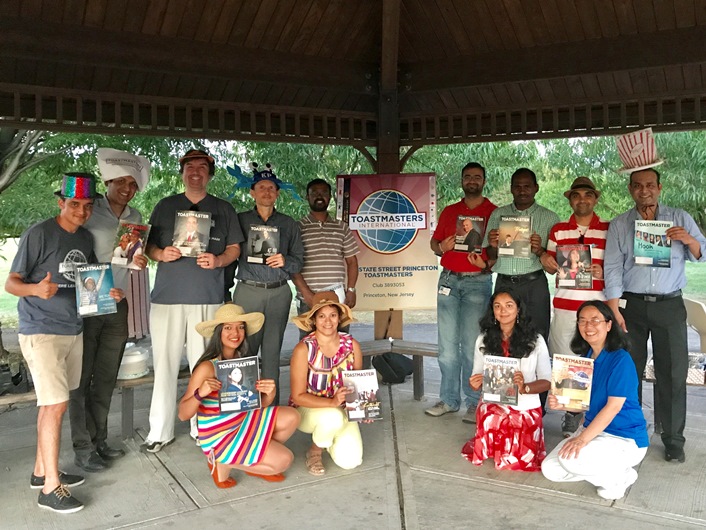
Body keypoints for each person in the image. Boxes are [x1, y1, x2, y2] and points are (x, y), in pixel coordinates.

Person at [5, 173, 121, 513]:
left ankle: (43, 472)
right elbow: (12, 283)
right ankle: (51, 490)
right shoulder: (39, 233)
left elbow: (87, 284)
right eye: (74, 205)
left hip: (73, 328)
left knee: (54, 402)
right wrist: (34, 289)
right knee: (55, 405)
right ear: (61, 203)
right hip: (42, 329)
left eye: (87, 206)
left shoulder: (84, 239)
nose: (81, 212)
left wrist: (108, 293)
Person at [143, 148, 243, 453]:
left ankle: (203, 427)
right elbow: (146, 246)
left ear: (209, 174)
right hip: (167, 299)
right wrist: (161, 254)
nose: (196, 172)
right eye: (190, 167)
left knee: (206, 367)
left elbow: (235, 249)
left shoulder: (223, 208)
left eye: (202, 167)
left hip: (208, 299)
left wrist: (218, 261)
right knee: (165, 364)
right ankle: (159, 430)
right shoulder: (165, 205)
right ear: (182, 172)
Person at [604, 167, 706, 463]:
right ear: (630, 189)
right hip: (631, 307)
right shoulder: (620, 224)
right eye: (637, 186)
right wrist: (613, 306)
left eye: (650, 185)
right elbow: (611, 267)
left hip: (670, 305)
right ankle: (631, 432)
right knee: (628, 371)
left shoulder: (680, 218)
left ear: (659, 187)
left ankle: (673, 439)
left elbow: (703, 252)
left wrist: (688, 239)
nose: (644, 190)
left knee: (673, 372)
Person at [68, 148, 151, 473]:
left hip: (119, 302)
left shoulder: (136, 218)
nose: (127, 189)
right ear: (108, 181)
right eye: (121, 182)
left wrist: (140, 261)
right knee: (81, 379)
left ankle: (99, 439)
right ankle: (83, 449)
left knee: (104, 377)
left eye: (133, 184)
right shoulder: (89, 211)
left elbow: (131, 258)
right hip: (87, 303)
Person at [178, 304, 300, 488]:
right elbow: (183, 414)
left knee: (292, 416)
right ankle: (221, 461)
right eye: (228, 327)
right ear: (218, 332)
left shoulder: (244, 362)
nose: (235, 332)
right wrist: (199, 393)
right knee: (283, 461)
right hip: (219, 433)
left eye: (240, 327)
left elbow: (254, 405)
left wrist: (270, 394)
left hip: (243, 421)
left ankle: (249, 458)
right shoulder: (207, 367)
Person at [542, 301, 649, 500]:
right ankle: (610, 470)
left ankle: (620, 478)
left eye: (595, 320)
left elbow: (613, 407)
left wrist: (582, 439)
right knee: (550, 469)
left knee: (572, 462)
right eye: (582, 321)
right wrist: (564, 403)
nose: (588, 326)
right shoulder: (584, 359)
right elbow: (583, 404)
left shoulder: (620, 360)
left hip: (624, 438)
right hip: (595, 431)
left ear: (609, 325)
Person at [426, 162, 496, 422]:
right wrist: (440, 247)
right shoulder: (450, 211)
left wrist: (487, 264)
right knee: (446, 348)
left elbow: (499, 253)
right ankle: (449, 400)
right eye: (467, 177)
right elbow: (434, 243)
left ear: (484, 181)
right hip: (448, 282)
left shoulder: (493, 212)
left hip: (477, 282)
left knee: (471, 346)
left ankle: (474, 401)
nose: (472, 181)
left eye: (477, 177)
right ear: (462, 181)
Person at [541, 177, 609, 437]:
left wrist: (601, 269)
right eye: (577, 195)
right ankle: (572, 414)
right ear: (570, 200)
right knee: (566, 361)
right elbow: (549, 262)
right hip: (566, 306)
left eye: (588, 194)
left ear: (595, 198)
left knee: (597, 360)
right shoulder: (558, 230)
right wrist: (546, 260)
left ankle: (597, 415)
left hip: (597, 307)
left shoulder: (609, 229)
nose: (582, 199)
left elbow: (617, 267)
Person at [233, 164, 304, 404]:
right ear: (252, 192)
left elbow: (299, 262)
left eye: (271, 188)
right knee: (244, 351)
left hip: (278, 292)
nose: (266, 191)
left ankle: (270, 411)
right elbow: (229, 254)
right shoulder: (240, 220)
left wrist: (285, 261)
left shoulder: (288, 223)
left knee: (272, 353)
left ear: (277, 193)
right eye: (261, 187)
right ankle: (244, 407)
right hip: (248, 290)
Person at [461, 290, 551, 472]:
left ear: (519, 310)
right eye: (497, 306)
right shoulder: (483, 339)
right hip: (494, 402)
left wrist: (525, 386)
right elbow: (475, 378)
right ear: (492, 311)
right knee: (492, 415)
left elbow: (547, 381)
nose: (503, 311)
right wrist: (475, 383)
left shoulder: (536, 340)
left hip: (525, 404)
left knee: (517, 453)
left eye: (509, 305)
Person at [290, 292, 365, 475]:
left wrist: (364, 408)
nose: (328, 321)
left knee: (351, 462)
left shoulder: (352, 345)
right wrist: (332, 402)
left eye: (332, 315)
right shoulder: (304, 349)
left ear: (339, 318)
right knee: (333, 417)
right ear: (314, 320)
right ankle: (315, 450)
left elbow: (358, 385)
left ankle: (328, 439)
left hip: (340, 409)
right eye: (321, 316)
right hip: (309, 410)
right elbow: (298, 396)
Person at [484, 168, 560, 342]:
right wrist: (493, 245)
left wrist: (540, 249)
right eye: (517, 186)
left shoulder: (550, 218)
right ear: (511, 188)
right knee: (502, 337)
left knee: (537, 337)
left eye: (527, 186)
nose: (522, 190)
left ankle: (535, 371)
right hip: (504, 283)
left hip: (534, 285)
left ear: (536, 188)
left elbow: (555, 262)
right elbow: (490, 255)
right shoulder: (498, 215)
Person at [292, 178, 359, 339]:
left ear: (330, 197)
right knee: (309, 346)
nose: (319, 196)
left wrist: (351, 290)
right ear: (307, 197)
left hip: (338, 300)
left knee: (340, 345)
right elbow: (293, 266)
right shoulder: (297, 228)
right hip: (308, 300)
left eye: (324, 193)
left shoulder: (341, 227)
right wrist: (307, 295)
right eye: (314, 193)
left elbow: (352, 262)